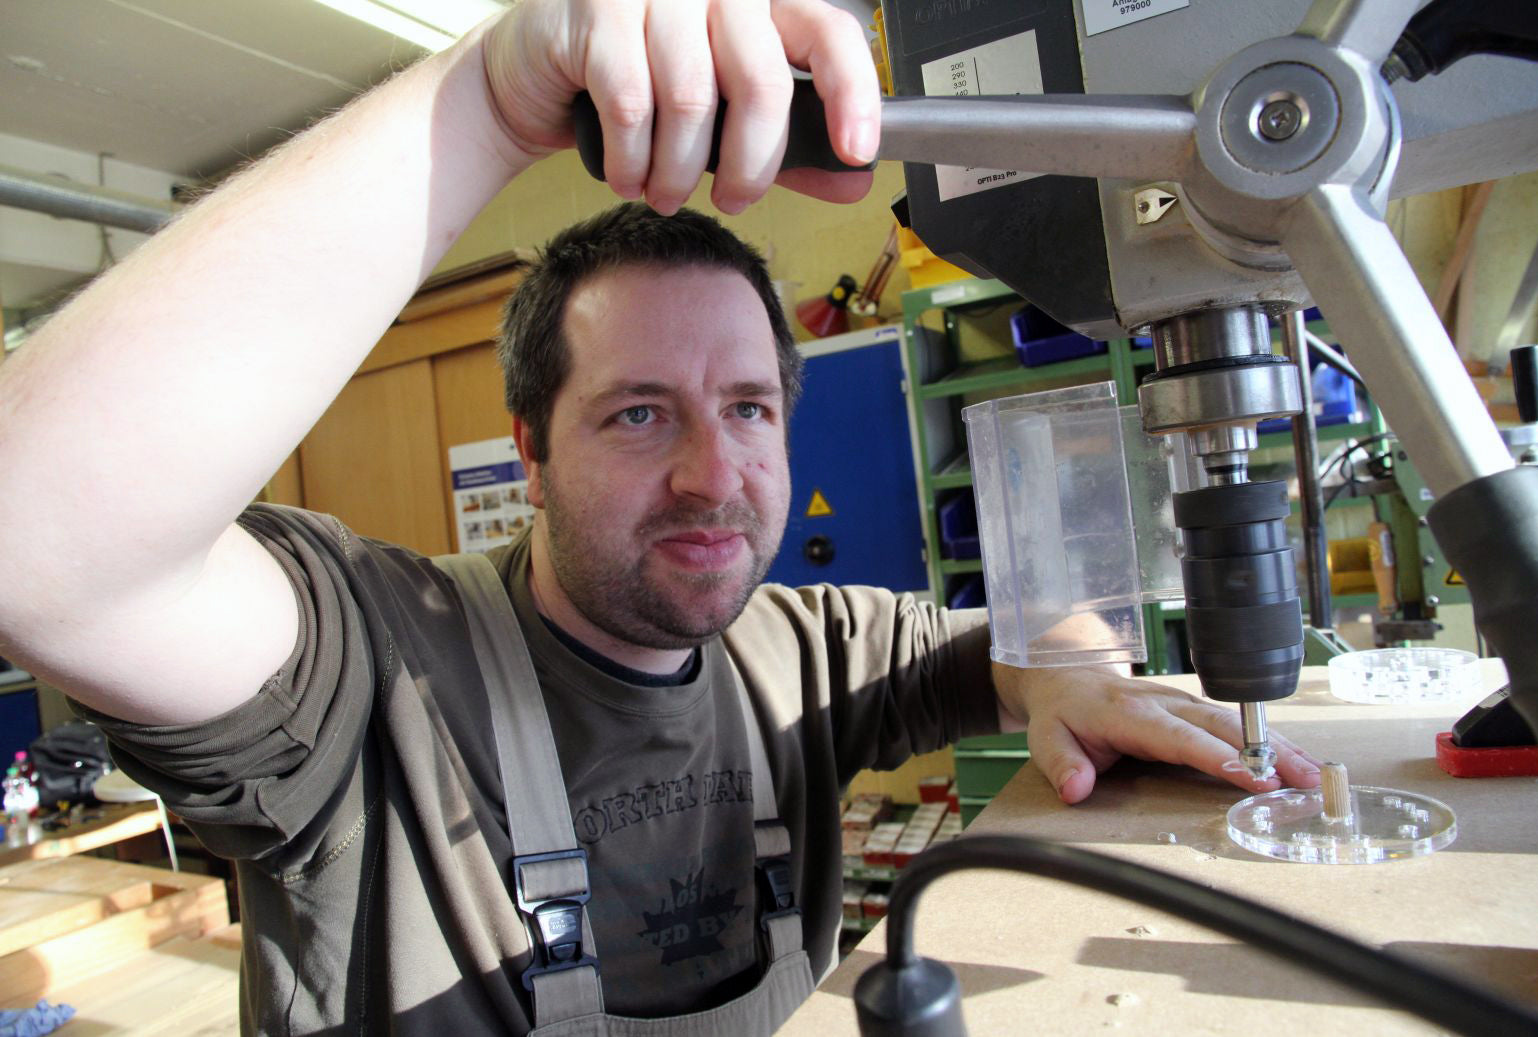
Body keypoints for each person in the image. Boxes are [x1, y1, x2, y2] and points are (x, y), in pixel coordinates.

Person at [0, 1, 1318, 1033]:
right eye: (638, 414)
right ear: (530, 445)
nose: (710, 472)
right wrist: (490, 95)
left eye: (748, 407)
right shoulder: (372, 677)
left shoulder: (804, 648)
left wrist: (1054, 672)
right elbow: (35, 534)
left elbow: (1020, 640)